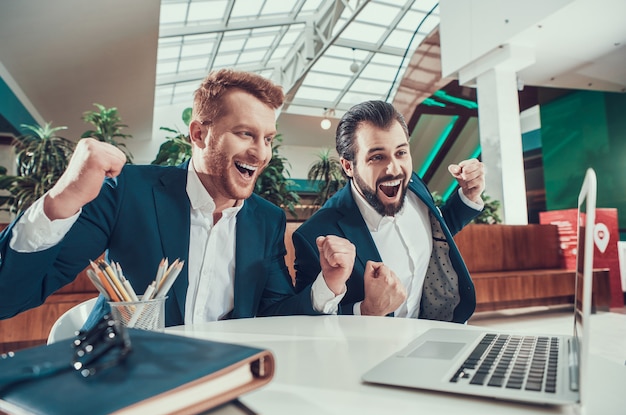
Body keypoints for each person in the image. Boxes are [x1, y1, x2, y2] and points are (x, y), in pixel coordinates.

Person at [0, 69, 355, 327]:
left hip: (223, 382)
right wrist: (64, 197)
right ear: (199, 134)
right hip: (128, 380)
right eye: (246, 134)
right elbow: (9, 295)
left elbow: (274, 316)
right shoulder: (128, 192)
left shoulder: (267, 219)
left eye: (268, 139)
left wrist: (329, 284)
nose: (261, 153)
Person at [292, 100, 485, 323]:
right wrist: (365, 311)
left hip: (433, 333)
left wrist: (468, 196)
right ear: (348, 166)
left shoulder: (413, 184)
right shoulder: (315, 234)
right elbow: (304, 320)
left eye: (401, 152)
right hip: (372, 352)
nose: (394, 169)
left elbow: (436, 229)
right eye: (377, 157)